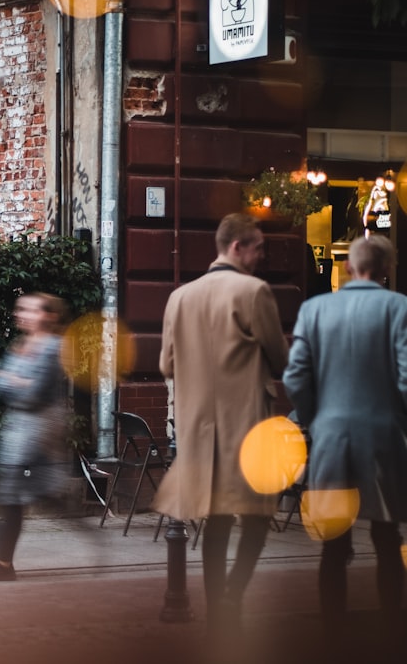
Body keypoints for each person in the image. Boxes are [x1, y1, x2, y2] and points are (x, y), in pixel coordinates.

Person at [151, 213, 289, 632]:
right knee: (259, 515)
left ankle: (216, 609)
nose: (261, 255)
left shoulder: (180, 297)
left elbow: (165, 364)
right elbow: (280, 358)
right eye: (258, 247)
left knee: (217, 520)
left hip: (198, 428)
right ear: (237, 247)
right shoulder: (254, 291)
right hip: (246, 425)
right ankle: (231, 593)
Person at [283, 235, 407, 652]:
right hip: (384, 439)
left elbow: (295, 376)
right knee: (388, 539)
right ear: (386, 269)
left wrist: (317, 417)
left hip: (330, 438)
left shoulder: (314, 309)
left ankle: (332, 634)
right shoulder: (399, 308)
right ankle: (393, 629)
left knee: (334, 545)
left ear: (350, 267)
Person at [0, 292, 70, 582]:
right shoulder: (22, 345)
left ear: (48, 316)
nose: (21, 313)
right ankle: (3, 563)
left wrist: (14, 381)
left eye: (30, 310)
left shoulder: (53, 347)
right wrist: (17, 382)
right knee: (14, 496)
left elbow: (34, 395)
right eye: (20, 308)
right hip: (19, 431)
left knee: (14, 496)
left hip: (38, 433)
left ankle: (2, 564)